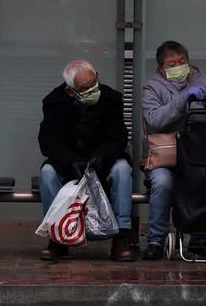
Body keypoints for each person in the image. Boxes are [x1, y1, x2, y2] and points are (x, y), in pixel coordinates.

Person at [37, 60, 138, 262]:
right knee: (47, 173)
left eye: (94, 83)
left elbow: (118, 137)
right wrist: (71, 161)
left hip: (103, 160)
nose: (92, 89)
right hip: (69, 162)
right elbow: (48, 141)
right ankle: (57, 238)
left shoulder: (111, 98)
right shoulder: (53, 103)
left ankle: (122, 236)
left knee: (122, 170)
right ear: (71, 90)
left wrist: (101, 156)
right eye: (85, 88)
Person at [140, 40, 206, 260]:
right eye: (173, 63)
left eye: (183, 61)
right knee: (162, 183)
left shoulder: (202, 81)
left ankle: (200, 239)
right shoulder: (151, 88)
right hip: (166, 157)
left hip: (198, 154)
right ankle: (156, 240)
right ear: (162, 68)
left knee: (205, 179)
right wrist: (182, 99)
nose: (179, 66)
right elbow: (154, 121)